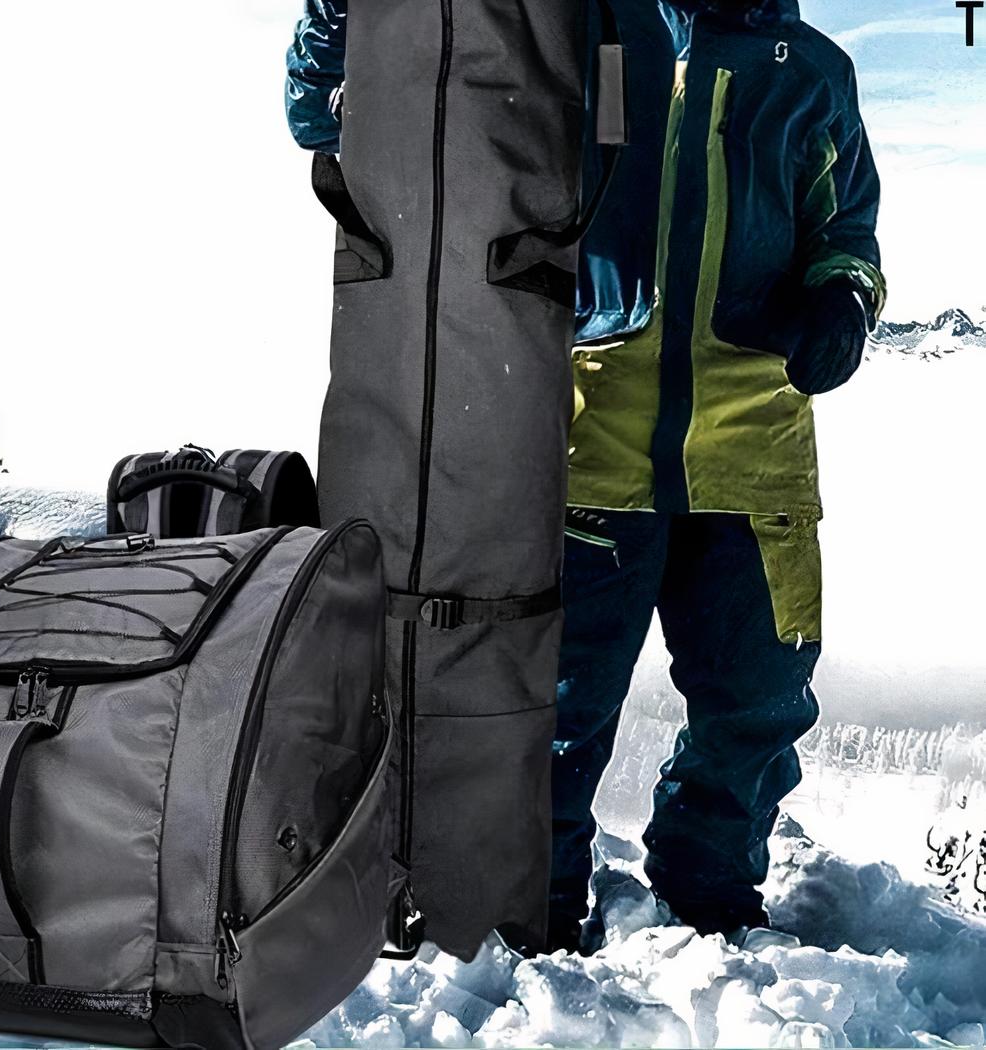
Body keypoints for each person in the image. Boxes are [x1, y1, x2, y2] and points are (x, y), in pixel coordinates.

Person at [284, 0, 885, 951]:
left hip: (756, 450)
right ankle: (539, 905)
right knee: (558, 705)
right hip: (593, 440)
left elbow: (847, 227)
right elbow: (325, 114)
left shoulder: (812, 70)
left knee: (758, 702)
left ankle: (710, 898)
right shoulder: (586, 31)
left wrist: (843, 300)